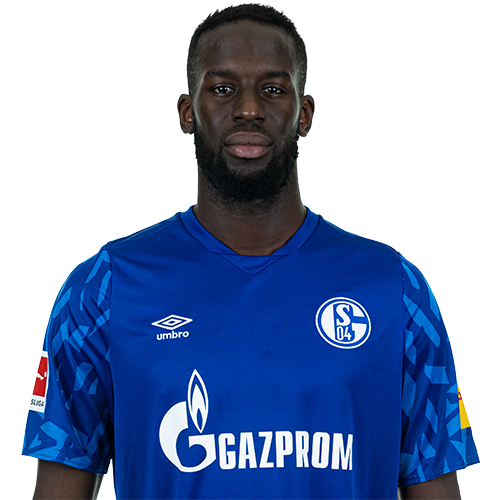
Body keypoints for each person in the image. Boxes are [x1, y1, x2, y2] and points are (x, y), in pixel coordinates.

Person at [22, 4, 479, 499]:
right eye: (222, 89)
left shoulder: (393, 289)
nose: (248, 109)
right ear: (187, 113)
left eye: (273, 89)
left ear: (304, 114)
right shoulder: (104, 289)